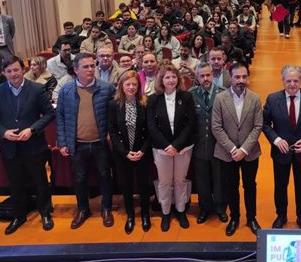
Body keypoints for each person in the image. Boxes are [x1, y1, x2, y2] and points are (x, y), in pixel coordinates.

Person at [0, 56, 55, 234]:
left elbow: (49, 114)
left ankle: (45, 213)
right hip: (9, 147)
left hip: (33, 144)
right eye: (8, 71)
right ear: (3, 72)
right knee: (15, 183)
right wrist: (3, 132)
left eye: (16, 70)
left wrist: (32, 130)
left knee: (40, 180)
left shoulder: (37, 89)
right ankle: (19, 215)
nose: (13, 74)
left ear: (23, 70)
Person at [56, 53, 116, 229]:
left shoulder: (107, 88)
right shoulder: (66, 91)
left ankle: (106, 208)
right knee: (80, 178)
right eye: (86, 67)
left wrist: (111, 135)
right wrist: (62, 142)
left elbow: (114, 115)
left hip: (101, 143)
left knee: (105, 175)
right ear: (75, 70)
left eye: (92, 66)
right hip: (77, 143)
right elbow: (60, 117)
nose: (91, 69)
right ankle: (83, 209)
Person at [263, 65, 301, 229]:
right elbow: (264, 123)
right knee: (280, 186)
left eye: (295, 81)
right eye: (288, 80)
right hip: (280, 153)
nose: (292, 84)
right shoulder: (272, 99)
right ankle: (281, 215)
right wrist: (276, 140)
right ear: (283, 81)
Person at [211, 62, 263, 236]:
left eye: (244, 77)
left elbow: (258, 126)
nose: (241, 80)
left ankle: (251, 218)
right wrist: (233, 149)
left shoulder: (255, 98)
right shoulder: (220, 98)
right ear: (230, 78)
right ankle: (234, 217)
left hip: (250, 153)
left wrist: (244, 150)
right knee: (231, 186)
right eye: (237, 77)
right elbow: (216, 127)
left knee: (250, 186)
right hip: (227, 154)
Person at [147, 63, 196, 231]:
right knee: (165, 182)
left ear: (178, 79)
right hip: (162, 149)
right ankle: (166, 212)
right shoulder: (154, 99)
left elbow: (190, 124)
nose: (171, 80)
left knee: (180, 180)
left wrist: (176, 145)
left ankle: (181, 210)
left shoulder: (186, 97)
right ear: (161, 79)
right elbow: (151, 126)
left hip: (183, 148)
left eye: (174, 77)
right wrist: (167, 146)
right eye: (167, 77)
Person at [108, 70, 152, 234]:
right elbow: (112, 131)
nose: (131, 87)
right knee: (126, 185)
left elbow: (149, 131)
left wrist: (142, 150)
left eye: (134, 84)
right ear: (121, 86)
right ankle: (130, 216)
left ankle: (145, 214)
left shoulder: (145, 103)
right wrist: (125, 152)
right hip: (123, 153)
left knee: (143, 185)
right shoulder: (113, 105)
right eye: (128, 84)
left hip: (142, 152)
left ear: (139, 86)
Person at [189, 62, 227, 224]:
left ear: (212, 74)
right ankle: (205, 208)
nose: (205, 78)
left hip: (218, 145)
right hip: (199, 145)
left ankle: (220, 207)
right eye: (202, 75)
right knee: (202, 179)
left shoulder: (223, 94)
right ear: (197, 77)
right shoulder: (190, 95)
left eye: (208, 75)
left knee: (219, 178)